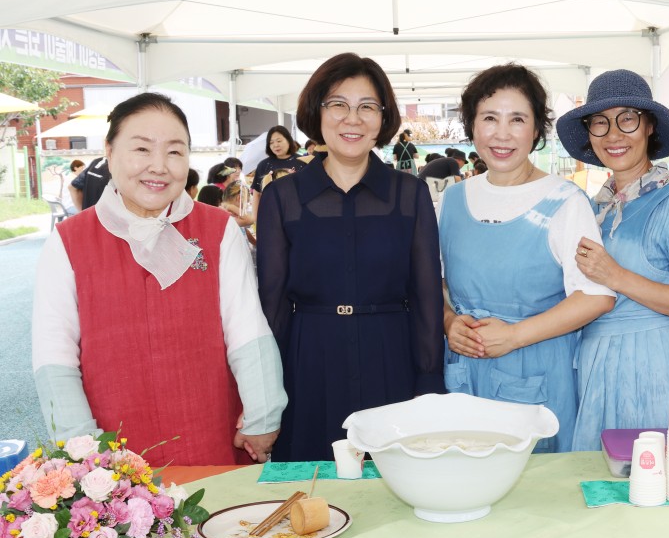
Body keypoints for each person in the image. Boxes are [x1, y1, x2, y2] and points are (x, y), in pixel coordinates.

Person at [32, 92, 287, 467]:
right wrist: (82, 448)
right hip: (113, 453)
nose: (158, 166)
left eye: (174, 151)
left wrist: (263, 415)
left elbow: (246, 327)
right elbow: (55, 354)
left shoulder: (217, 229)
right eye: (141, 149)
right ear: (110, 150)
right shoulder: (69, 241)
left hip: (211, 434)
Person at [257, 53, 444, 462]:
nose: (352, 119)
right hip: (308, 365)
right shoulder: (282, 198)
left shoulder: (409, 194)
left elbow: (428, 297)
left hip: (391, 359)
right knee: (311, 495)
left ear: (383, 117)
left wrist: (429, 383)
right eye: (338, 104)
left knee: (397, 490)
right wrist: (266, 393)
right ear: (317, 112)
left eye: (367, 107)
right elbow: (271, 304)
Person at [440, 63, 615, 453]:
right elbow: (432, 282)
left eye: (517, 119)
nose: (501, 134)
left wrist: (515, 335)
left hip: (536, 371)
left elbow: (597, 295)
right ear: (472, 126)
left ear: (537, 130)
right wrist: (449, 321)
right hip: (466, 371)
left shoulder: (566, 202)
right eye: (489, 118)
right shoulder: (450, 200)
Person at [554, 69, 669, 450]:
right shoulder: (597, 205)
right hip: (597, 359)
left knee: (651, 480)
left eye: (627, 119)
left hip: (652, 362)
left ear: (649, 127)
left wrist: (615, 275)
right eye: (600, 122)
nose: (614, 134)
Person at [252, 126, 311, 218]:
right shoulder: (264, 165)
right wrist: (255, 219)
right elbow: (257, 194)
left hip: (298, 214)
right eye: (271, 142)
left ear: (288, 140)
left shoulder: (303, 162)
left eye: (279, 141)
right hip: (271, 214)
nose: (275, 145)